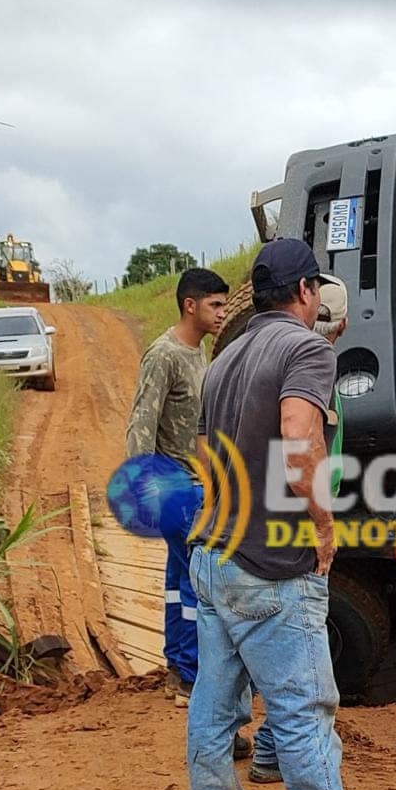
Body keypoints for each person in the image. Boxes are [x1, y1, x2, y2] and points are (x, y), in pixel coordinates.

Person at [186, 239, 394, 790]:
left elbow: (202, 453)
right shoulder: (305, 349)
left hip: (215, 553)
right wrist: (322, 527)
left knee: (215, 698)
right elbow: (300, 436)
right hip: (270, 562)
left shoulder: (226, 357)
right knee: (304, 702)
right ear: (306, 293)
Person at [246, 274, 348, 786]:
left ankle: (267, 753)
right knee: (301, 673)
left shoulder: (269, 361)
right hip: (292, 538)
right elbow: (300, 443)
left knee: (281, 663)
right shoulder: (310, 364)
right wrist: (324, 526)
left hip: (263, 535)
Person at [124, 268, 228, 708]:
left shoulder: (197, 352)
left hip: (196, 485)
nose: (223, 313)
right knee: (196, 585)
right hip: (177, 488)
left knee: (179, 579)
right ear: (191, 305)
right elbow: (140, 425)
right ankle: (190, 675)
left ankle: (178, 668)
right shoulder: (164, 355)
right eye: (216, 305)